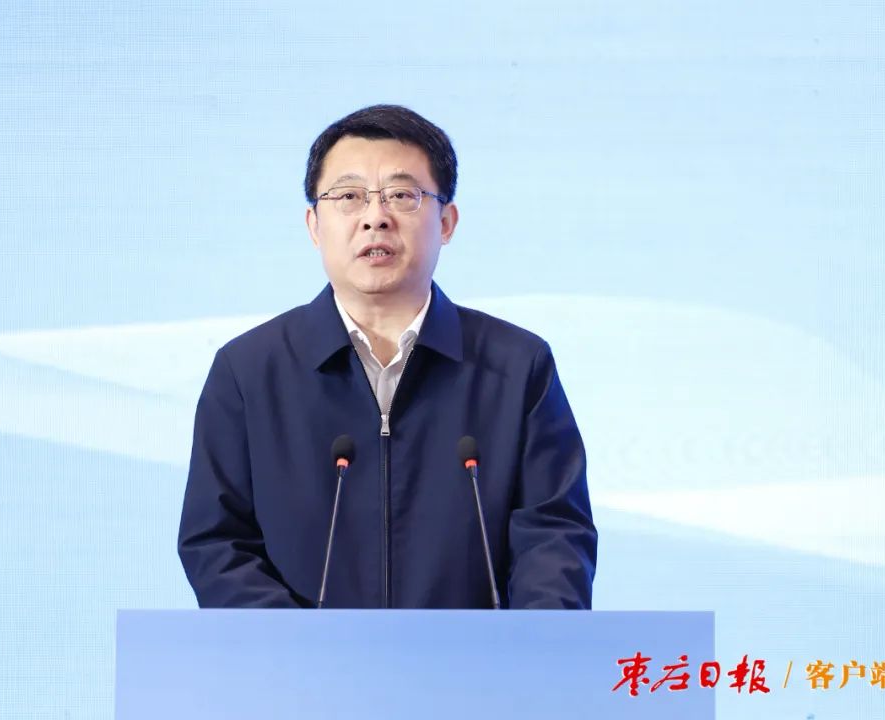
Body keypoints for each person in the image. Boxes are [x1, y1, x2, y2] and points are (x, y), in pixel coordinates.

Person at [178, 104, 597, 608]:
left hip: (477, 660)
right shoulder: (248, 372)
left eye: (402, 195)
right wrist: (297, 645)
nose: (375, 218)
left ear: (447, 222)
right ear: (314, 225)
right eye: (349, 197)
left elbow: (554, 536)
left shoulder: (517, 367)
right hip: (300, 659)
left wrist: (531, 643)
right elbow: (218, 545)